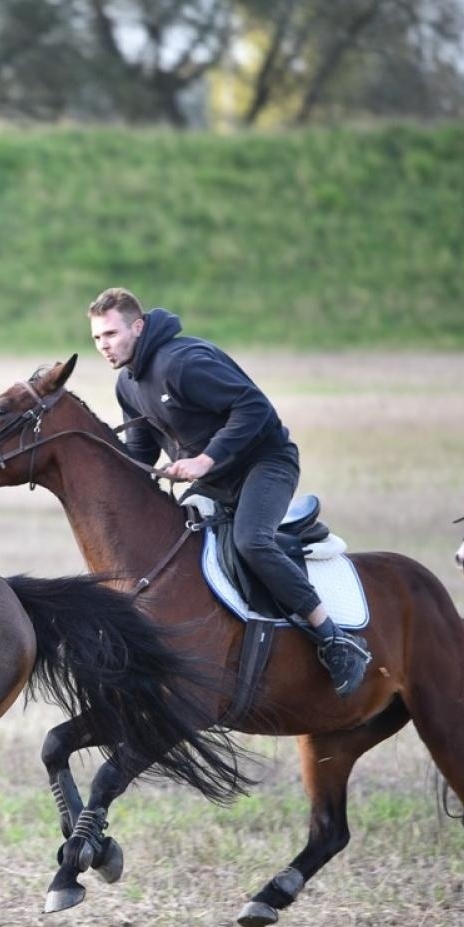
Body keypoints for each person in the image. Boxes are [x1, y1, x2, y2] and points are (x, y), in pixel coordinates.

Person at [87, 287, 371, 696]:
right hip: (214, 482)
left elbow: (254, 408)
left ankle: (335, 638)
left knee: (251, 541)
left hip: (265, 464)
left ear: (138, 326)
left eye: (111, 334)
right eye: (97, 337)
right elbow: (140, 453)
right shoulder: (127, 386)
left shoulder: (183, 363)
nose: (103, 345)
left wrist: (204, 461)